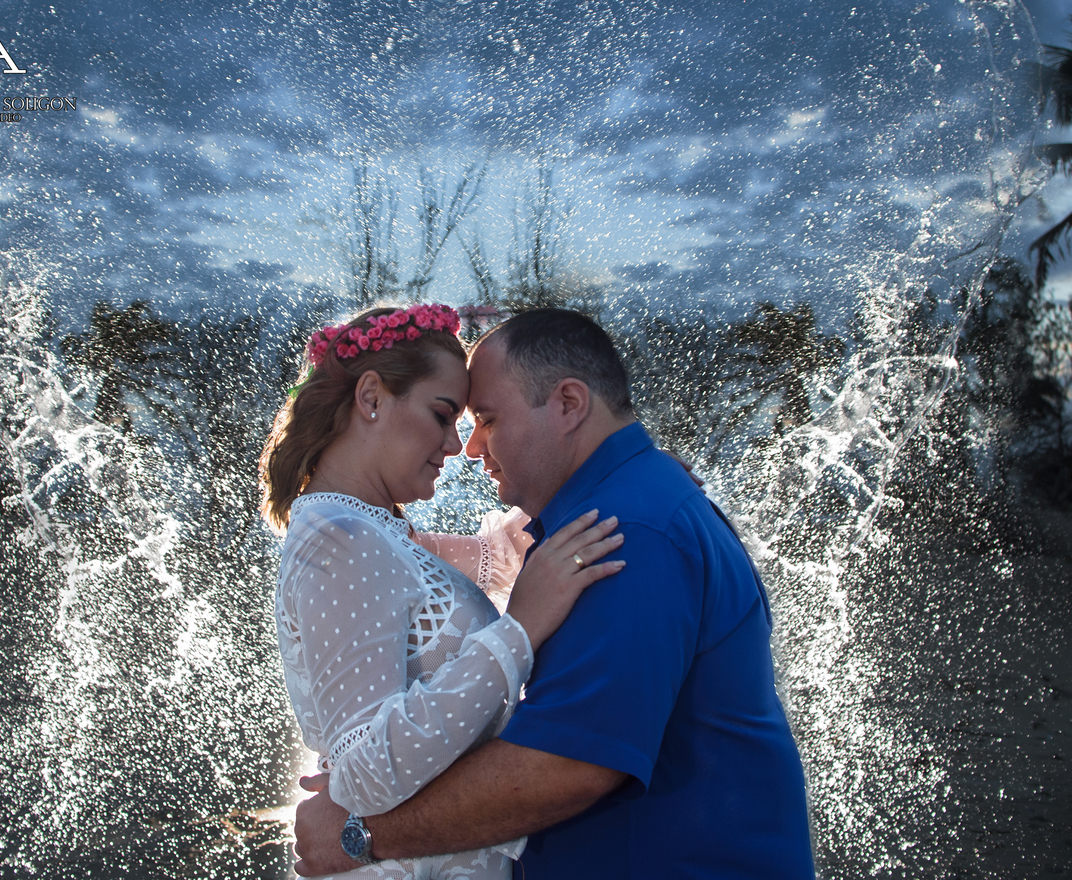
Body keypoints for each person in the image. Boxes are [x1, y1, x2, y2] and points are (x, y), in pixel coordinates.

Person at [293, 308, 816, 879]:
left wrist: (364, 835)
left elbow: (569, 764)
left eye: (486, 418)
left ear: (568, 403)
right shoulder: (617, 517)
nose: (469, 446)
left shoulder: (630, 532)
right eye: (453, 417)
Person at [259, 303, 626, 879]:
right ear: (371, 398)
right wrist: (520, 629)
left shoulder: (372, 531)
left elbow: (501, 555)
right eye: (442, 414)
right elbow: (361, 775)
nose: (457, 446)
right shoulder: (342, 540)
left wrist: (615, 473)